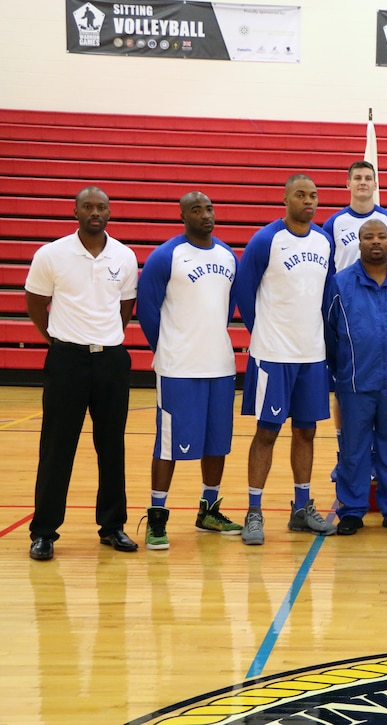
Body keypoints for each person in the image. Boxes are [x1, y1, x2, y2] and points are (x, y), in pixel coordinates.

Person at [25, 186, 139, 560]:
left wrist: (106, 340)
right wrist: (58, 341)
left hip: (110, 361)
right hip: (66, 360)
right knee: (57, 447)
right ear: (75, 211)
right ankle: (43, 531)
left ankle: (112, 526)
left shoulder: (124, 256)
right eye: (88, 206)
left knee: (112, 446)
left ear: (109, 212)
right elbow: (36, 303)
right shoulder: (51, 254)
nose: (95, 211)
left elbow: (125, 306)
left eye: (101, 206)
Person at [136, 191, 242, 550]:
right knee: (168, 445)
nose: (205, 215)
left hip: (220, 365)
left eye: (209, 208)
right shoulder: (166, 256)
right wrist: (168, 348)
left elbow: (225, 310)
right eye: (196, 210)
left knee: (217, 443)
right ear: (183, 215)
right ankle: (156, 517)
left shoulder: (228, 256)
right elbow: (148, 312)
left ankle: (208, 511)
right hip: (178, 367)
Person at [235, 174, 337, 545]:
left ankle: (302, 508)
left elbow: (327, 295)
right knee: (267, 432)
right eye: (300, 195)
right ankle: (254, 512)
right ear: (285, 198)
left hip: (311, 355)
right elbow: (244, 291)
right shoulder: (267, 239)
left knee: (306, 431)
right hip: (273, 355)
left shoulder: (325, 240)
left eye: (313, 195)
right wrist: (261, 333)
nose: (308, 201)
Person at [324, 219, 387, 536]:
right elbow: (327, 332)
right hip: (354, 383)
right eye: (368, 237)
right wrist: (340, 371)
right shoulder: (339, 285)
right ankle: (351, 510)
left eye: (381, 236)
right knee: (353, 450)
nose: (375, 241)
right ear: (359, 242)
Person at [323, 160, 387, 480]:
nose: (362, 182)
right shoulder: (333, 222)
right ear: (347, 183)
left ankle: (377, 458)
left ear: (376, 184)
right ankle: (345, 455)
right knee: (344, 390)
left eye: (368, 178)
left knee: (384, 391)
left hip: (385, 309)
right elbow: (329, 270)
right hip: (347, 309)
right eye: (357, 177)